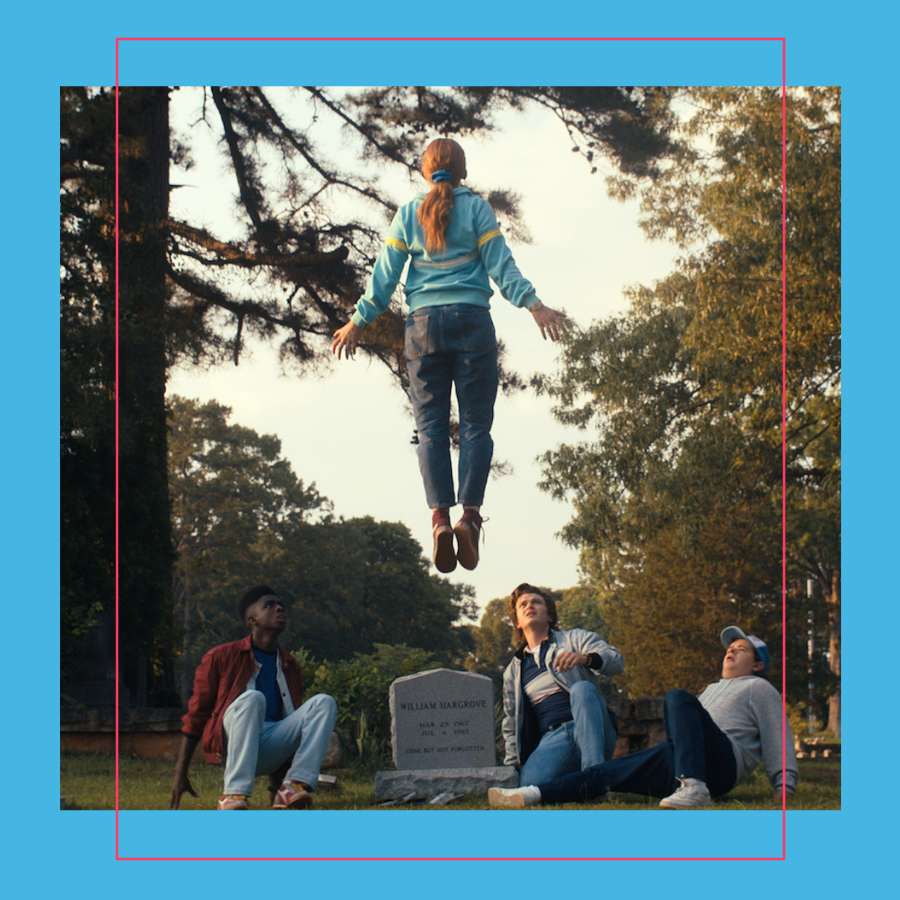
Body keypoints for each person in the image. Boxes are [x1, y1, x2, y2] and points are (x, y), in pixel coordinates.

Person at [331, 138, 568, 574]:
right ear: (462, 171)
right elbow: (501, 266)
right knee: (476, 424)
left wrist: (358, 321)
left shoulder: (408, 214)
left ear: (426, 172)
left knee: (430, 429)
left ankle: (439, 519)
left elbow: (383, 279)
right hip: (472, 323)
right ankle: (470, 518)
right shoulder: (477, 209)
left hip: (422, 328)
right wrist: (535, 306)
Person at [489, 625, 798, 809]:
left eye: (740, 649)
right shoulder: (711, 690)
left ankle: (695, 787)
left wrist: (783, 786)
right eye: (729, 648)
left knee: (677, 697)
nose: (730, 651)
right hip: (681, 760)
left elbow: (777, 734)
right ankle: (530, 795)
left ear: (758, 665)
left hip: (721, 764)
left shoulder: (760, 688)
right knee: (606, 774)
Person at [169, 585, 338, 811]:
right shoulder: (220, 656)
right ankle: (233, 794)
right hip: (232, 745)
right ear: (252, 621)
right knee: (253, 699)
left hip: (269, 749)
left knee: (324, 702)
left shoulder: (289, 665)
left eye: (281, 606)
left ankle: (292, 787)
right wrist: (180, 774)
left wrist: (274, 787)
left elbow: (286, 720)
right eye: (269, 605)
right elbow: (196, 717)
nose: (279, 609)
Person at [502, 583, 625, 787]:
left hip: (592, 727)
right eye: (522, 604)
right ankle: (579, 781)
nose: (529, 606)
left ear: (549, 616)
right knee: (531, 784)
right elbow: (511, 724)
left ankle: (595, 777)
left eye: (536, 602)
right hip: (553, 739)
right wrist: (511, 769)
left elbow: (616, 661)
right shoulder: (513, 672)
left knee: (582, 689)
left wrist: (585, 659)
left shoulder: (574, 639)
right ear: (517, 623)